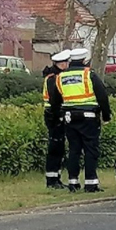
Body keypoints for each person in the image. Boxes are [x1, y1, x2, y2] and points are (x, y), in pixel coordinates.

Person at [50, 48, 112, 193]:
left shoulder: (60, 77)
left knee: (74, 150)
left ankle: (73, 183)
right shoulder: (89, 74)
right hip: (89, 118)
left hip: (69, 118)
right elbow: (102, 96)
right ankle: (91, 184)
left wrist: (55, 118)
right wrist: (106, 115)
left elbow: (55, 101)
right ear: (85, 60)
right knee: (90, 150)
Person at [43, 50, 71, 189]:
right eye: (64, 63)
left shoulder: (56, 76)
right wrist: (58, 116)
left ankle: (56, 178)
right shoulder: (53, 78)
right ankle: (51, 180)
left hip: (56, 113)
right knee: (55, 147)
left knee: (59, 148)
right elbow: (55, 99)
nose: (66, 65)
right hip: (53, 114)